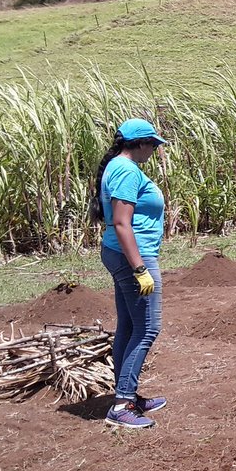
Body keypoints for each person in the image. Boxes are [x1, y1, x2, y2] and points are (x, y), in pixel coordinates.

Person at [91, 118, 169, 430]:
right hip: (132, 256)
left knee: (128, 325)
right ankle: (122, 403)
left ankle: (128, 394)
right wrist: (140, 269)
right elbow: (122, 223)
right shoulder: (124, 170)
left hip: (122, 253)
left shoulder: (118, 166)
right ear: (138, 143)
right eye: (152, 144)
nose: (154, 149)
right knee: (148, 328)